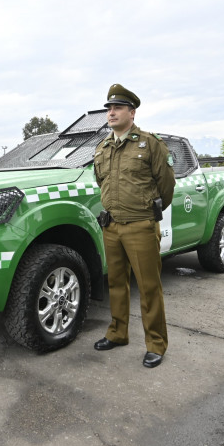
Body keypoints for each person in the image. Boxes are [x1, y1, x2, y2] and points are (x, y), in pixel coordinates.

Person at [92, 84, 175, 368]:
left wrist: (146, 212)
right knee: (116, 283)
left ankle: (156, 343)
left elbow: (166, 186)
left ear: (132, 112)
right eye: (108, 108)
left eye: (117, 108)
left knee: (149, 287)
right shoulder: (102, 147)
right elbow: (101, 182)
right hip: (111, 226)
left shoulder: (149, 143)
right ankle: (117, 333)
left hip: (140, 225)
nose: (111, 112)